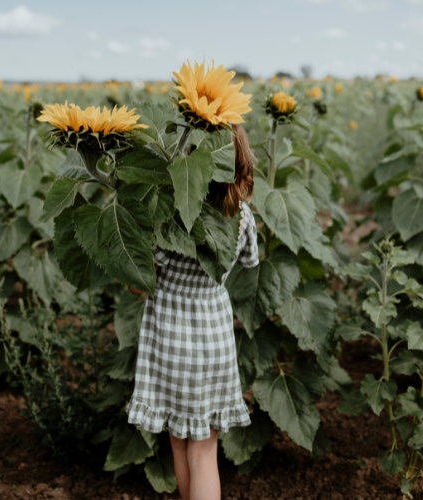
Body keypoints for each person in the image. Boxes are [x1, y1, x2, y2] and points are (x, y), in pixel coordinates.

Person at [125, 124, 260, 500]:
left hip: (170, 335)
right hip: (214, 332)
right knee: (204, 450)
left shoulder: (172, 220)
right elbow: (249, 261)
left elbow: (140, 282)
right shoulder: (242, 218)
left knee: (181, 445)